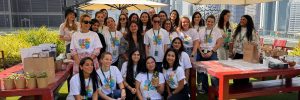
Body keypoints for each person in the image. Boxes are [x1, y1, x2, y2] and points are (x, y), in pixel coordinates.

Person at [197, 15, 223, 94]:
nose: (210, 23)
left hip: (212, 53)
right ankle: (205, 89)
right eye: (208, 21)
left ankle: (216, 90)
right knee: (202, 72)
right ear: (206, 21)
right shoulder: (201, 30)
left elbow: (219, 42)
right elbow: (197, 42)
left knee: (214, 73)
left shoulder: (217, 31)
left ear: (214, 23)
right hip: (201, 53)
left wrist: (211, 52)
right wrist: (201, 52)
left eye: (212, 22)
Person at [231, 15, 260, 86]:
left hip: (247, 54)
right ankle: (236, 85)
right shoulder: (236, 30)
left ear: (248, 21)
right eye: (241, 19)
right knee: (236, 71)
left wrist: (250, 43)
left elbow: (256, 43)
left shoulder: (252, 31)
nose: (241, 20)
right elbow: (233, 40)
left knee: (245, 72)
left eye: (243, 19)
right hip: (237, 53)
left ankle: (244, 86)